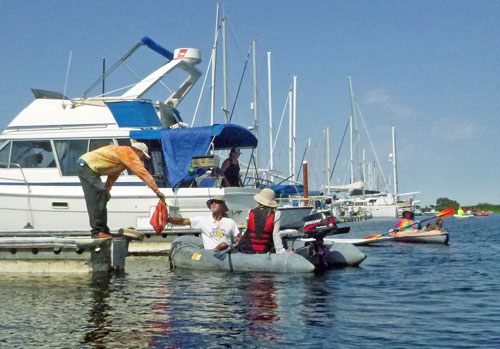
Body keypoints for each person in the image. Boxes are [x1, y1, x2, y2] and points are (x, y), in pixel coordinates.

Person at [77, 142, 165, 239]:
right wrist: (156, 191)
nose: (141, 159)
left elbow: (113, 174)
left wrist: (107, 189)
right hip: (86, 165)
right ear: (138, 151)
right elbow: (142, 173)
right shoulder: (128, 153)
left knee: (102, 195)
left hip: (89, 167)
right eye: (142, 156)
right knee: (98, 195)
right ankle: (97, 232)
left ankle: (104, 231)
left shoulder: (122, 159)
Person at [167, 196, 240, 251]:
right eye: (212, 202)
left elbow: (238, 238)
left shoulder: (230, 222)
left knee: (224, 245)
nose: (213, 203)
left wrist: (237, 243)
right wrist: (168, 219)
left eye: (216, 202)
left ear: (223, 206)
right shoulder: (203, 220)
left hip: (226, 252)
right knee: (222, 245)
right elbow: (183, 221)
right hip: (211, 254)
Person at [238, 188, 290, 254]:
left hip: (248, 249)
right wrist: (281, 251)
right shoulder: (276, 214)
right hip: (265, 249)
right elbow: (276, 235)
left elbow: (248, 230)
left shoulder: (251, 212)